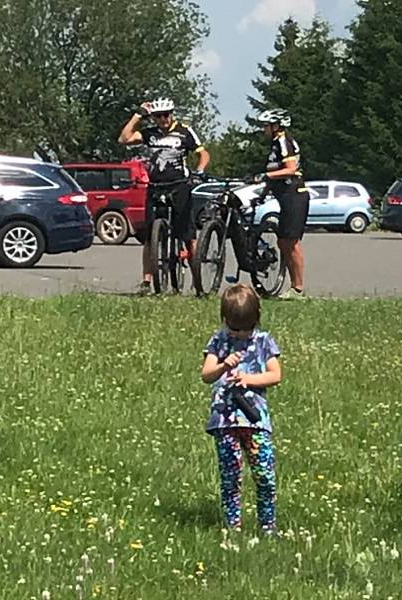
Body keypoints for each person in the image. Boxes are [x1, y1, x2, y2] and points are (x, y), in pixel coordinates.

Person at [201, 284, 282, 532]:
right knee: (231, 476)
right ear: (225, 320)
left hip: (254, 419)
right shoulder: (218, 341)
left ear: (256, 320)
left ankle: (267, 525)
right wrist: (224, 366)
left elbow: (275, 375)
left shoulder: (263, 342)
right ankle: (232, 525)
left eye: (245, 329)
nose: (239, 334)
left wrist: (248, 380)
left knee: (264, 474)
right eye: (234, 329)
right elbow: (206, 375)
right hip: (225, 421)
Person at [118, 98, 210, 295]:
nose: (163, 119)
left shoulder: (185, 131)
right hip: (156, 186)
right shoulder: (149, 133)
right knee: (151, 237)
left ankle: (198, 283)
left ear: (172, 114)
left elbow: (203, 154)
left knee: (187, 236)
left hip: (179, 186)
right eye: (158, 116)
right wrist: (138, 115)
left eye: (166, 115)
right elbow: (123, 139)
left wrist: (200, 170)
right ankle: (146, 281)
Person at [255, 108, 310, 300]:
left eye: (266, 126)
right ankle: (292, 285)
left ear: (276, 126)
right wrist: (262, 194)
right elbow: (273, 178)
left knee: (292, 243)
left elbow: (291, 169)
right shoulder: (274, 146)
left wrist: (266, 175)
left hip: (295, 195)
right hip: (284, 196)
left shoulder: (284, 142)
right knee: (282, 241)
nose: (263, 129)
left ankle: (298, 288)